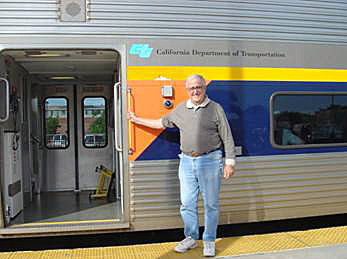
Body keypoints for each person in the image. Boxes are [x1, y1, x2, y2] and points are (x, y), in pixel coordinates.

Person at [128, 74, 236, 257]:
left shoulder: (216, 109)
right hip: (186, 161)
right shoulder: (181, 109)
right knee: (186, 203)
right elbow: (160, 122)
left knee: (211, 204)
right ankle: (191, 238)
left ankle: (209, 240)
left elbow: (227, 136)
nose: (195, 91)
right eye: (192, 88)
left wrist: (230, 162)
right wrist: (137, 119)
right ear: (187, 90)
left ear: (204, 88)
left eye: (198, 87)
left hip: (210, 160)